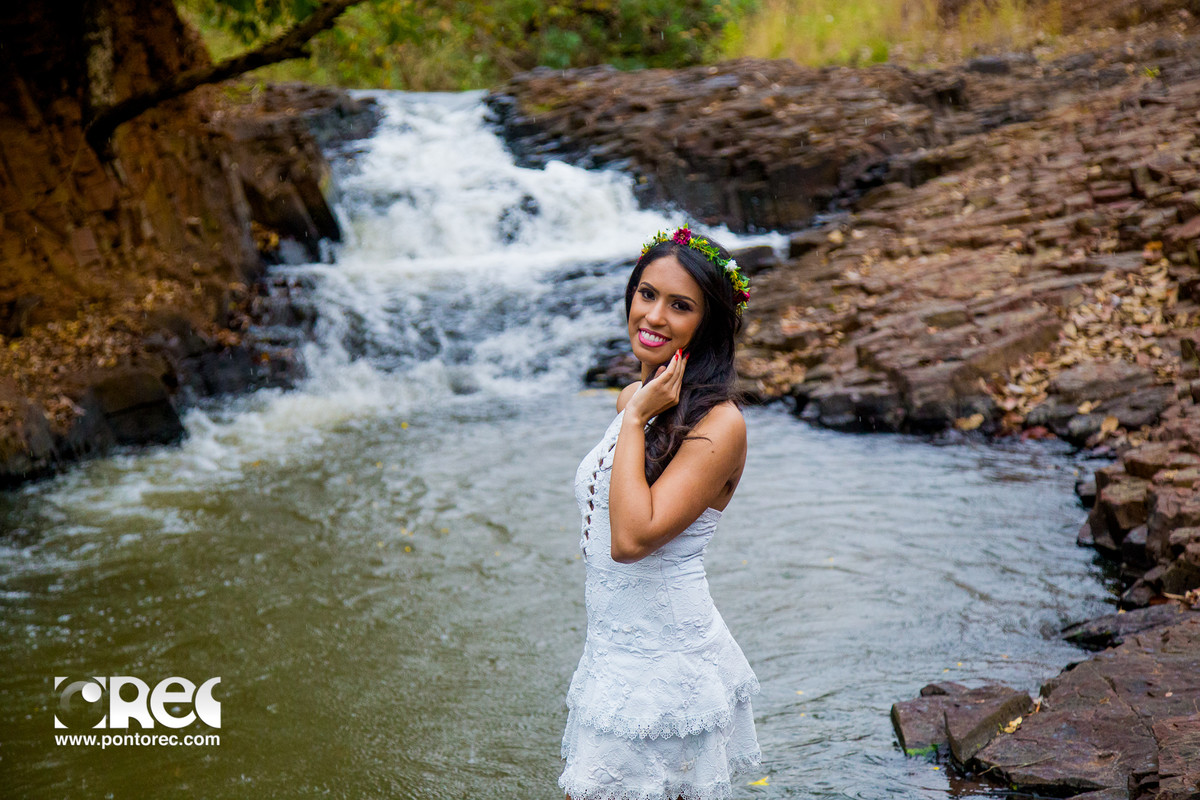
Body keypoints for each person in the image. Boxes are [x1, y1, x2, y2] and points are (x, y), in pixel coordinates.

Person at [559, 225, 761, 800]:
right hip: (613, 651)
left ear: (710, 323)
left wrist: (631, 420)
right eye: (646, 294)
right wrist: (636, 410)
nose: (653, 316)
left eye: (680, 305)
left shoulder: (721, 424)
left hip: (667, 661)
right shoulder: (639, 396)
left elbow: (631, 538)